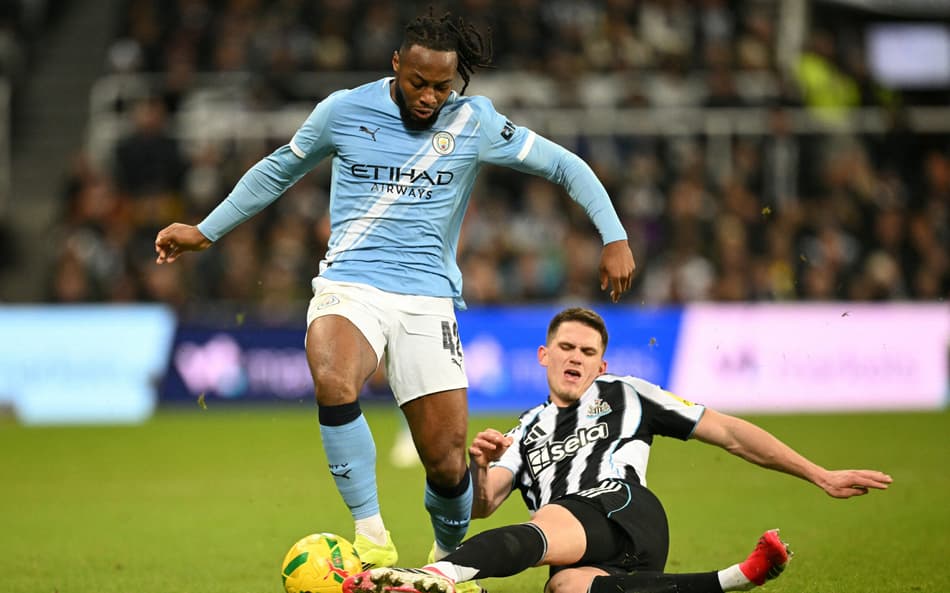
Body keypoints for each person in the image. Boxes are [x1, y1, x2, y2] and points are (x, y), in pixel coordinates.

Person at [152, 9, 636, 577]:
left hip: (427, 300)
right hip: (349, 282)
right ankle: (371, 533)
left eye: (442, 86)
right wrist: (205, 230)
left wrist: (615, 235)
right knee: (332, 375)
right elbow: (278, 168)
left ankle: (446, 561)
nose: (430, 97)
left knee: (448, 464)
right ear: (395, 65)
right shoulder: (343, 110)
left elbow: (565, 165)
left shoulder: (475, 122)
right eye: (418, 83)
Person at [343, 307, 893, 593]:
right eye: (566, 347)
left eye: (588, 351)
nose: (576, 358)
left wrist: (817, 473)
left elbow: (727, 432)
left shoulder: (626, 392)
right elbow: (484, 504)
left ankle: (434, 576)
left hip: (624, 506)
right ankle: (735, 578)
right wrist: (479, 465)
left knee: (553, 519)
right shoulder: (528, 427)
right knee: (565, 588)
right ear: (543, 355)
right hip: (591, 554)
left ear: (602, 364)